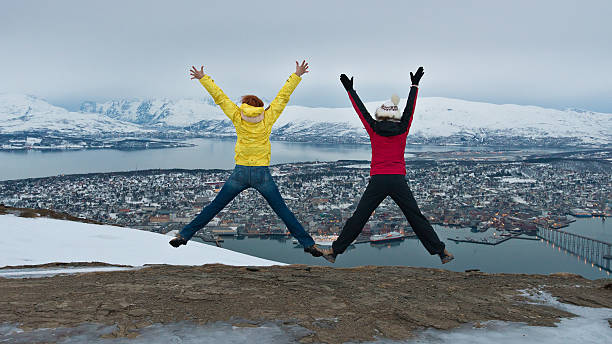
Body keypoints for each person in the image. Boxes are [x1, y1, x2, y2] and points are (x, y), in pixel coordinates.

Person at [170, 61, 324, 258]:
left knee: (214, 207)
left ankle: (184, 235)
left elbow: (220, 97)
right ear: (260, 106)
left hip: (240, 173)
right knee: (283, 211)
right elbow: (283, 97)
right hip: (261, 173)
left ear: (244, 105)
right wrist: (297, 75)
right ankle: (308, 244)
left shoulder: (237, 116)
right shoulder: (267, 117)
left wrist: (203, 79)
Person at [319, 67, 454, 264]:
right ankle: (441, 253)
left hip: (378, 180)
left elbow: (361, 112)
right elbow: (410, 109)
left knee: (359, 217)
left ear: (380, 116)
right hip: (398, 179)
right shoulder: (402, 130)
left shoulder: (374, 129)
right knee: (416, 217)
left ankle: (334, 252)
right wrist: (414, 85)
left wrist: (350, 91)